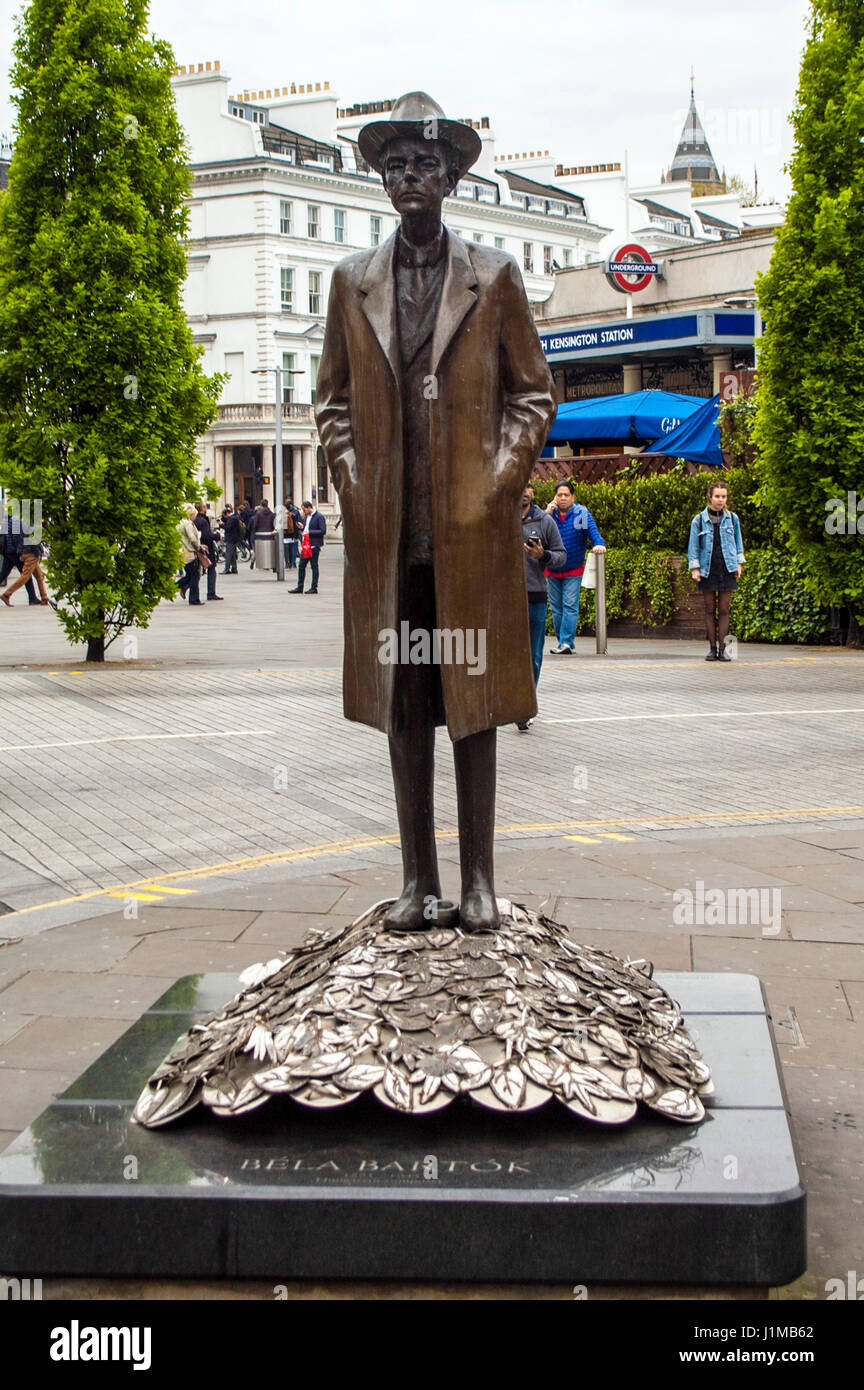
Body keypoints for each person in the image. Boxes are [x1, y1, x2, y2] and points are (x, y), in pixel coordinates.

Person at [316, 91, 555, 932]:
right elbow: (331, 402)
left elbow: (532, 393)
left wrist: (496, 482)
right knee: (407, 703)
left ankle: (480, 880)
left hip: (468, 532)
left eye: (424, 163)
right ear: (382, 180)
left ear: (451, 177)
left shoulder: (494, 277)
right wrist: (352, 476)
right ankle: (418, 881)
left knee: (474, 706)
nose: (409, 176)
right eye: (395, 165)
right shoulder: (353, 283)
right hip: (390, 540)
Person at [519, 485, 566, 726]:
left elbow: (561, 555)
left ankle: (525, 706)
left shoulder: (544, 520)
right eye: (521, 484)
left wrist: (543, 556)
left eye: (529, 486)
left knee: (534, 655)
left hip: (535, 594)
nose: (524, 490)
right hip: (503, 599)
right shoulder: (497, 518)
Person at [544, 480, 606, 654]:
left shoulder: (581, 514)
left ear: (573, 497)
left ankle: (566, 642)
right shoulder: (549, 516)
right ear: (554, 497)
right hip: (552, 568)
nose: (563, 498)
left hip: (573, 569)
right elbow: (536, 530)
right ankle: (563, 642)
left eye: (566, 495)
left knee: (570, 605)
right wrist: (547, 513)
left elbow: (594, 534)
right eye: (559, 495)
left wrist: (599, 545)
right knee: (556, 609)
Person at [688, 480, 744, 661]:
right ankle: (712, 648)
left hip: (726, 566)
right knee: (709, 608)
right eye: (717, 496)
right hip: (708, 568)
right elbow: (693, 546)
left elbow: (738, 542)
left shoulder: (733, 519)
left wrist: (739, 564)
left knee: (724, 608)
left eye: (724, 496)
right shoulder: (699, 520)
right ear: (710, 497)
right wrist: (695, 568)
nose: (721, 500)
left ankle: (724, 649)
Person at [0, 505, 52, 607]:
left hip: (24, 551)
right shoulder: (20, 520)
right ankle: (7, 594)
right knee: (25, 576)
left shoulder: (18, 519)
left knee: (38, 575)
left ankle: (43, 597)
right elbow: (23, 536)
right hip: (27, 552)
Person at [290, 501, 326, 594]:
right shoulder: (307, 517)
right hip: (306, 545)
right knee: (301, 565)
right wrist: (302, 527)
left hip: (314, 545)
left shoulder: (319, 517)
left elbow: (322, 530)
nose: (303, 511)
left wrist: (310, 532)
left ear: (309, 507)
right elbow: (306, 528)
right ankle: (300, 586)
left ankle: (314, 587)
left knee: (314, 566)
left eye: (304, 509)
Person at [176, 506, 206, 605]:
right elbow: (192, 538)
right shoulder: (188, 524)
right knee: (195, 575)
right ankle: (194, 599)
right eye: (194, 515)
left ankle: (177, 587)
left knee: (190, 574)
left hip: (182, 551)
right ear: (191, 515)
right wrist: (198, 547)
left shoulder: (180, 523)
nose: (195, 517)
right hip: (189, 551)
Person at [194, 503, 223, 601]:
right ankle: (211, 593)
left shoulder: (195, 520)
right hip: (206, 548)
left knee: (196, 571)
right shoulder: (203, 521)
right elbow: (207, 535)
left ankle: (183, 586)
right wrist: (218, 536)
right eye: (204, 507)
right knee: (211, 568)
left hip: (197, 547)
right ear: (202, 509)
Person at [221, 506, 241, 574]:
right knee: (232, 554)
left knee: (228, 554)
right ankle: (234, 568)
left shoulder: (232, 519)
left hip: (231, 538)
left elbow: (228, 528)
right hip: (234, 538)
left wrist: (221, 525)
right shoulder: (234, 517)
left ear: (227, 513)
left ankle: (226, 569)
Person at [283, 496, 302, 568]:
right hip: (293, 533)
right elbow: (298, 523)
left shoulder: (282, 513)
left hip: (285, 534)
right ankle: (292, 562)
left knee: (286, 549)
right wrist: (296, 535)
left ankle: (287, 563)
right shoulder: (295, 512)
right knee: (292, 548)